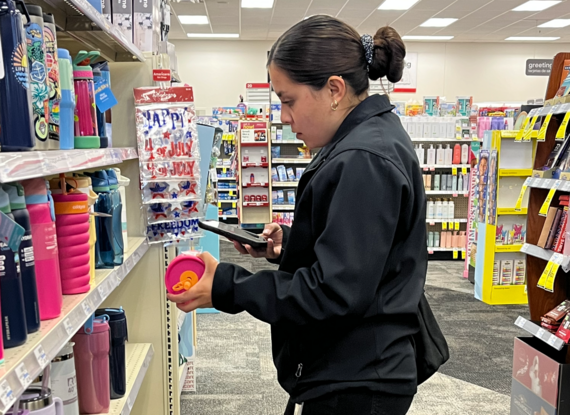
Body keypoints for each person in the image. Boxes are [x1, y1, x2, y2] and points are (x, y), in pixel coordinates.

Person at [168, 16, 427, 415]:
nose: (285, 118)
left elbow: (335, 293)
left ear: (335, 90)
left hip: (359, 377)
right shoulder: (363, 139)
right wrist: (290, 246)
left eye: (289, 100)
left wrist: (227, 285)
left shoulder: (364, 158)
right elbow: (364, 256)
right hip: (353, 365)